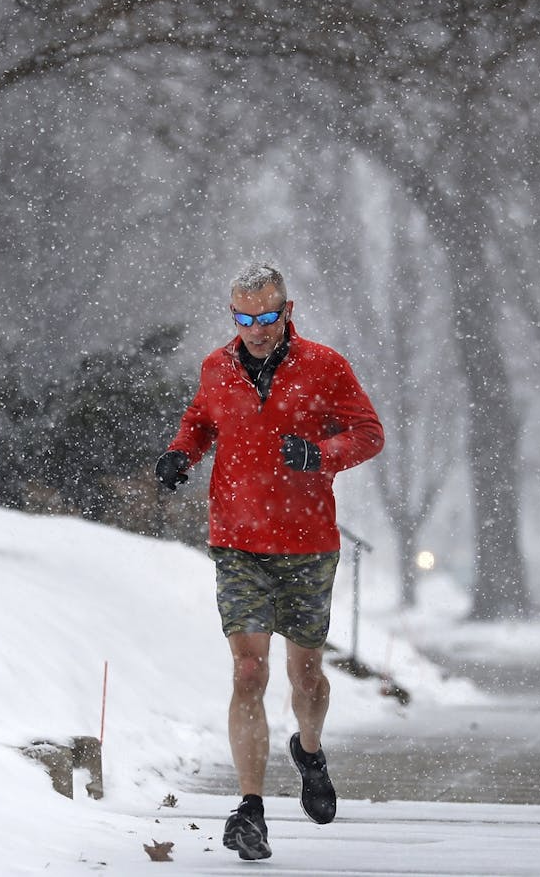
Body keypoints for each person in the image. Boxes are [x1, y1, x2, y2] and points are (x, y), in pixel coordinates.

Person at [156, 262, 384, 861]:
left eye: (266, 316)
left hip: (308, 543)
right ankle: (250, 809)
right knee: (249, 672)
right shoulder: (217, 367)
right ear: (233, 316)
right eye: (244, 317)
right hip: (237, 540)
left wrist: (321, 454)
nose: (255, 329)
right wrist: (180, 455)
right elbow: (199, 424)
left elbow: (368, 433)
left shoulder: (325, 367)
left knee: (305, 674)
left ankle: (309, 751)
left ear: (287, 310)